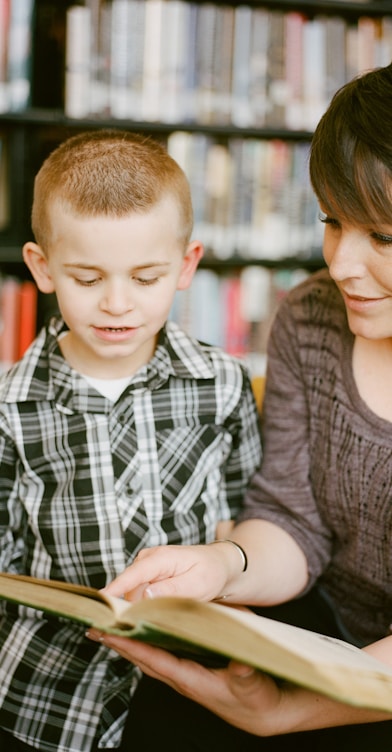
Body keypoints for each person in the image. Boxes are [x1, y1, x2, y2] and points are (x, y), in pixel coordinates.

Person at [88, 63, 392, 750]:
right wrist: (223, 567)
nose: (341, 262)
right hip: (326, 631)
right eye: (333, 221)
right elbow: (293, 520)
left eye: (385, 238)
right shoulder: (314, 317)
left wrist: (293, 710)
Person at [0, 129, 262, 752]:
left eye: (146, 277)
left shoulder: (222, 383)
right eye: (87, 278)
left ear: (187, 265)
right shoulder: (9, 403)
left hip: (192, 683)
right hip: (47, 693)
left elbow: (243, 513)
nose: (118, 304)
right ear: (41, 267)